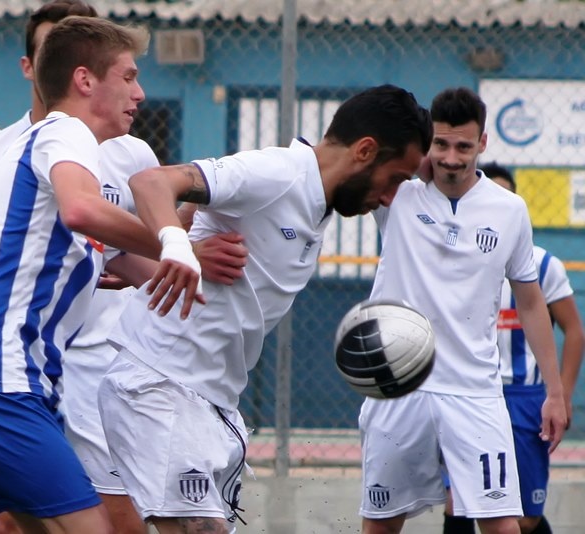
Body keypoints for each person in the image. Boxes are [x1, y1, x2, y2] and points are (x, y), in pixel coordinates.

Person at [0, 2, 246, 533]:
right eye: (129, 76)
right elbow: (82, 209)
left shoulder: (69, 149)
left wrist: (183, 249)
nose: (140, 93)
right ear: (84, 80)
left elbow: (110, 247)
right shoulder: (65, 131)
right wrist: (172, 238)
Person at [96, 84, 433, 534]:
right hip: (157, 383)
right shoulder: (278, 173)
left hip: (213, 400)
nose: (391, 196)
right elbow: (152, 182)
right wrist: (176, 249)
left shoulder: (320, 201)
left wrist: (170, 251)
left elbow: (195, 219)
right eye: (394, 178)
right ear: (365, 150)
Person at [357, 88, 569, 534]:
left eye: (463, 146)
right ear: (427, 143)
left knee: (503, 525)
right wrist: (414, 160)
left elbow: (531, 303)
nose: (451, 158)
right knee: (381, 522)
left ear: (483, 144)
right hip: (399, 387)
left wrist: (554, 391)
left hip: (474, 391)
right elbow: (349, 165)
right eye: (441, 144)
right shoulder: (398, 194)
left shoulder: (509, 210)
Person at [442, 163, 585, 534]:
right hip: (468, 390)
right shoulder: (453, 257)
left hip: (524, 397)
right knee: (458, 502)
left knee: (524, 516)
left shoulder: (542, 264)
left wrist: (562, 395)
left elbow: (574, 330)